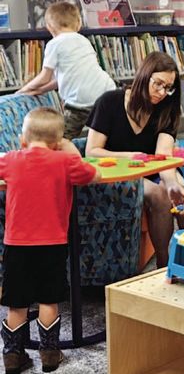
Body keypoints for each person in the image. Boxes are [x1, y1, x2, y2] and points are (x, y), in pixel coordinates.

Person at [0, 107, 100, 373]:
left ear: (23, 140)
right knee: (48, 299)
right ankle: (50, 355)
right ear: (57, 143)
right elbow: (92, 174)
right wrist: (68, 150)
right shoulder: (65, 162)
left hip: (16, 244)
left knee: (17, 301)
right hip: (52, 244)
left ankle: (12, 355)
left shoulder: (11, 160)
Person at [85, 51, 184, 268]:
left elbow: (163, 155)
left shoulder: (167, 109)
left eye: (168, 88)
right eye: (158, 84)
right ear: (144, 76)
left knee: (183, 195)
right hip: (119, 171)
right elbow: (92, 151)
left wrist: (171, 183)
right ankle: (164, 262)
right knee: (159, 195)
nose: (162, 93)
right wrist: (129, 156)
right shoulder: (109, 102)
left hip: (153, 169)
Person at [17, 1, 116, 139]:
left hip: (80, 102)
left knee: (60, 139)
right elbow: (66, 77)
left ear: (49, 27)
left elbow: (45, 77)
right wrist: (42, 90)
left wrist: (23, 90)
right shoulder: (84, 41)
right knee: (105, 136)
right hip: (107, 94)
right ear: (79, 23)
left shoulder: (54, 44)